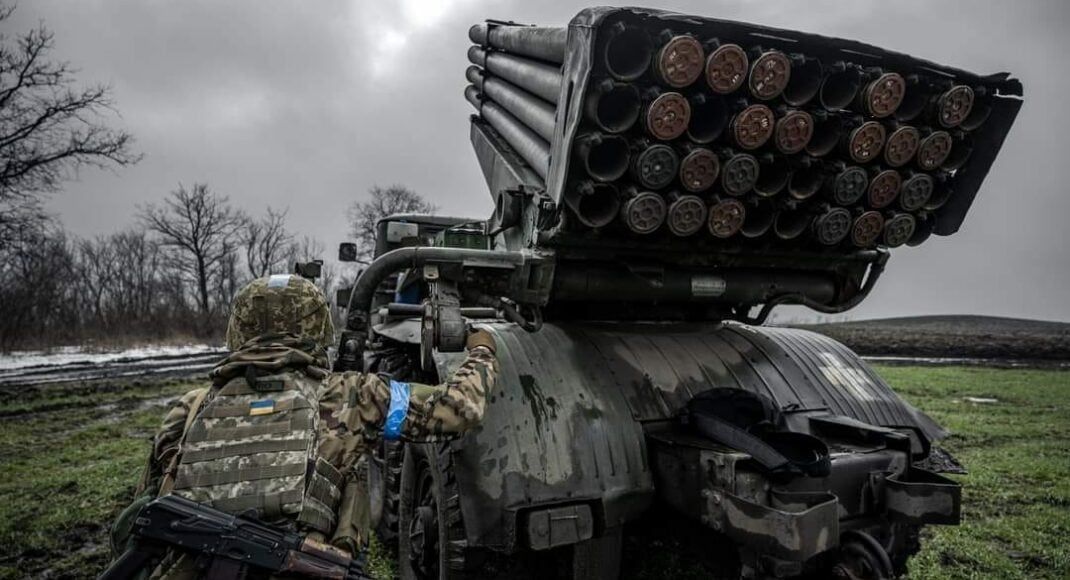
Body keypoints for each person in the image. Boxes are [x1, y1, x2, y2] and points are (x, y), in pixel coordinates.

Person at [110, 273, 498, 578]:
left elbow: (139, 515)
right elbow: (460, 408)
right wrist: (482, 349)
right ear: (316, 329)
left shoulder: (189, 408)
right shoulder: (352, 397)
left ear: (239, 330)